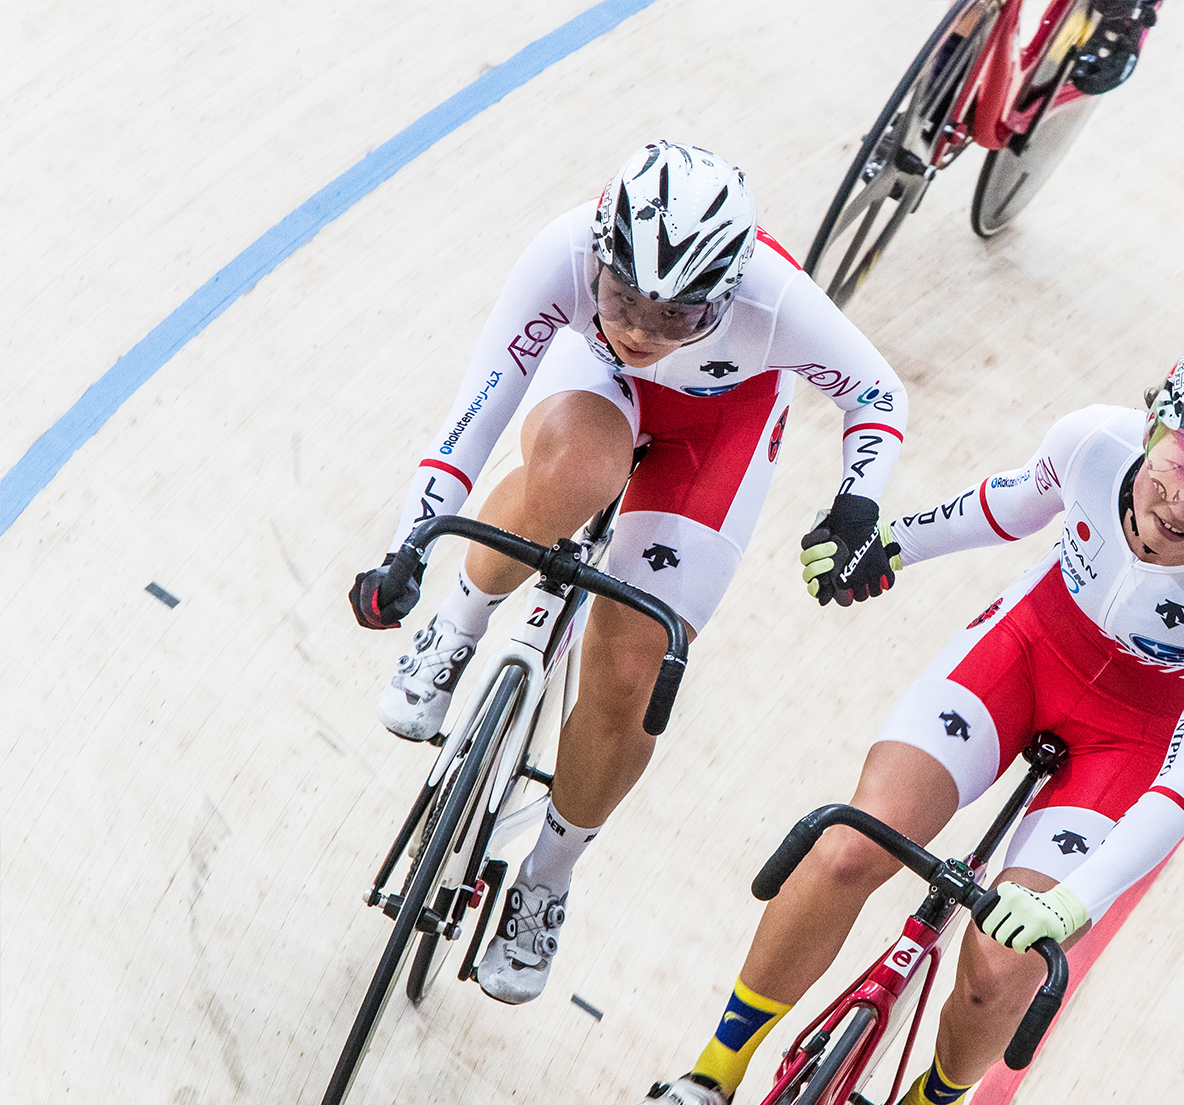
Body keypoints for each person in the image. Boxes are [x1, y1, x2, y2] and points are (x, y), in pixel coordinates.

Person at [627, 334, 1184, 1105]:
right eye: (1182, 460)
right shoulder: (1094, 441)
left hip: (1133, 737)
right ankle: (712, 1071)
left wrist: (1071, 906)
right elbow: (1011, 503)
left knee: (1005, 957)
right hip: (1029, 654)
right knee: (850, 847)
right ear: (1153, 422)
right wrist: (891, 546)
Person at [347, 141, 907, 1005]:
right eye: (623, 300)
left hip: (718, 434)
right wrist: (406, 552)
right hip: (595, 389)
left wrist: (856, 507)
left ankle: (547, 876)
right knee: (573, 474)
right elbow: (475, 416)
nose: (642, 331)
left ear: (728, 293)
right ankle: (453, 632)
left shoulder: (777, 299)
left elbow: (878, 395)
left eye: (679, 318)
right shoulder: (566, 252)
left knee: (634, 656)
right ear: (600, 259)